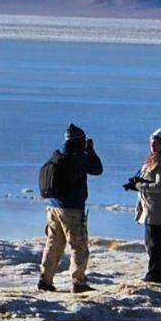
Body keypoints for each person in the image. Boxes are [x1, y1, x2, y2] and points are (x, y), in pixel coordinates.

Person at [38, 122, 104, 292]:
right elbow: (97, 169)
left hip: (53, 208)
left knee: (53, 244)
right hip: (72, 209)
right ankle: (79, 282)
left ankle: (45, 280)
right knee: (79, 247)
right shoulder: (79, 157)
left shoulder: (57, 153)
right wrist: (90, 150)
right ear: (79, 141)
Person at [126, 128, 161, 284]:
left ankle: (156, 274)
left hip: (156, 208)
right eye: (151, 143)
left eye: (156, 143)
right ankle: (156, 272)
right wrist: (136, 183)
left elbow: (159, 186)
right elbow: (147, 180)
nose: (153, 145)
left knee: (155, 243)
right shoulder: (153, 159)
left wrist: (139, 186)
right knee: (151, 242)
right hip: (150, 207)